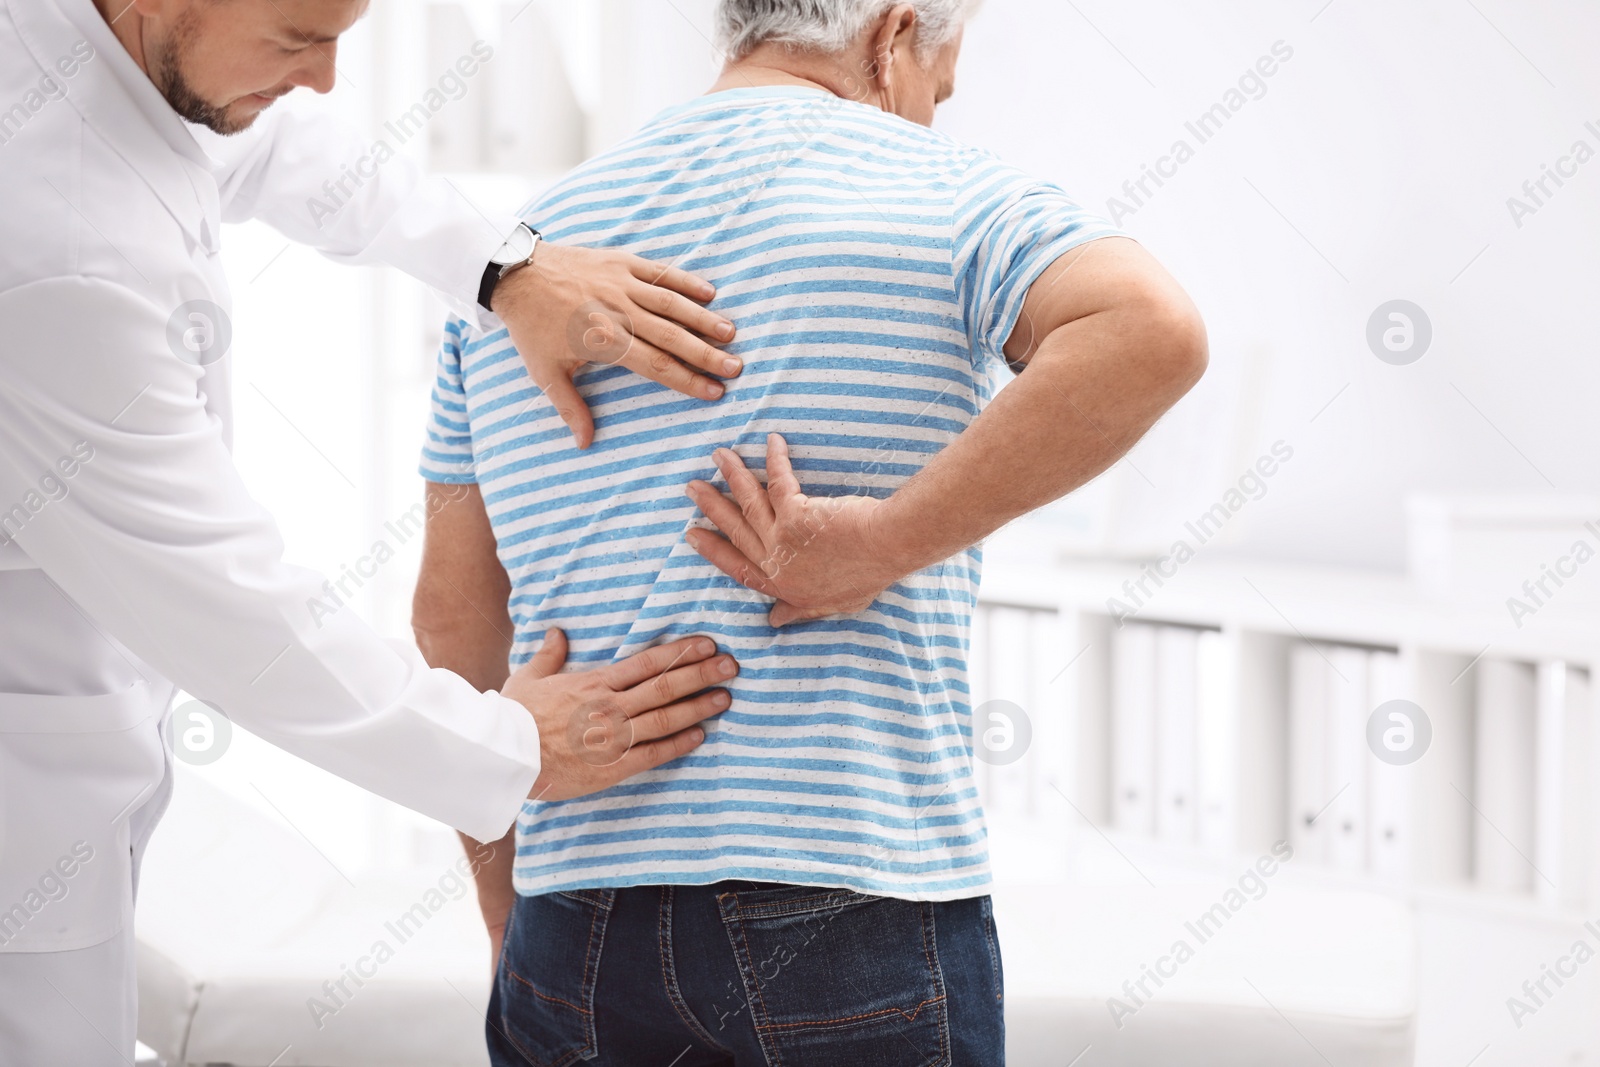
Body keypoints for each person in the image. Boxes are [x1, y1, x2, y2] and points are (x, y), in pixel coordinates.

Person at [414, 0, 1208, 1063]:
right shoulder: (953, 193)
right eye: (939, 86)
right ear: (893, 38)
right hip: (855, 890)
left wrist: (514, 913)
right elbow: (1149, 328)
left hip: (575, 910)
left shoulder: (518, 272)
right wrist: (880, 541)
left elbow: (452, 622)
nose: (927, 116)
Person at [0, 1, 748, 1062]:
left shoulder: (114, 53)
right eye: (303, 36)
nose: (327, 79)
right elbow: (238, 616)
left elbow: (275, 147)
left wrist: (505, 266)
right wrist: (512, 744)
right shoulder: (55, 243)